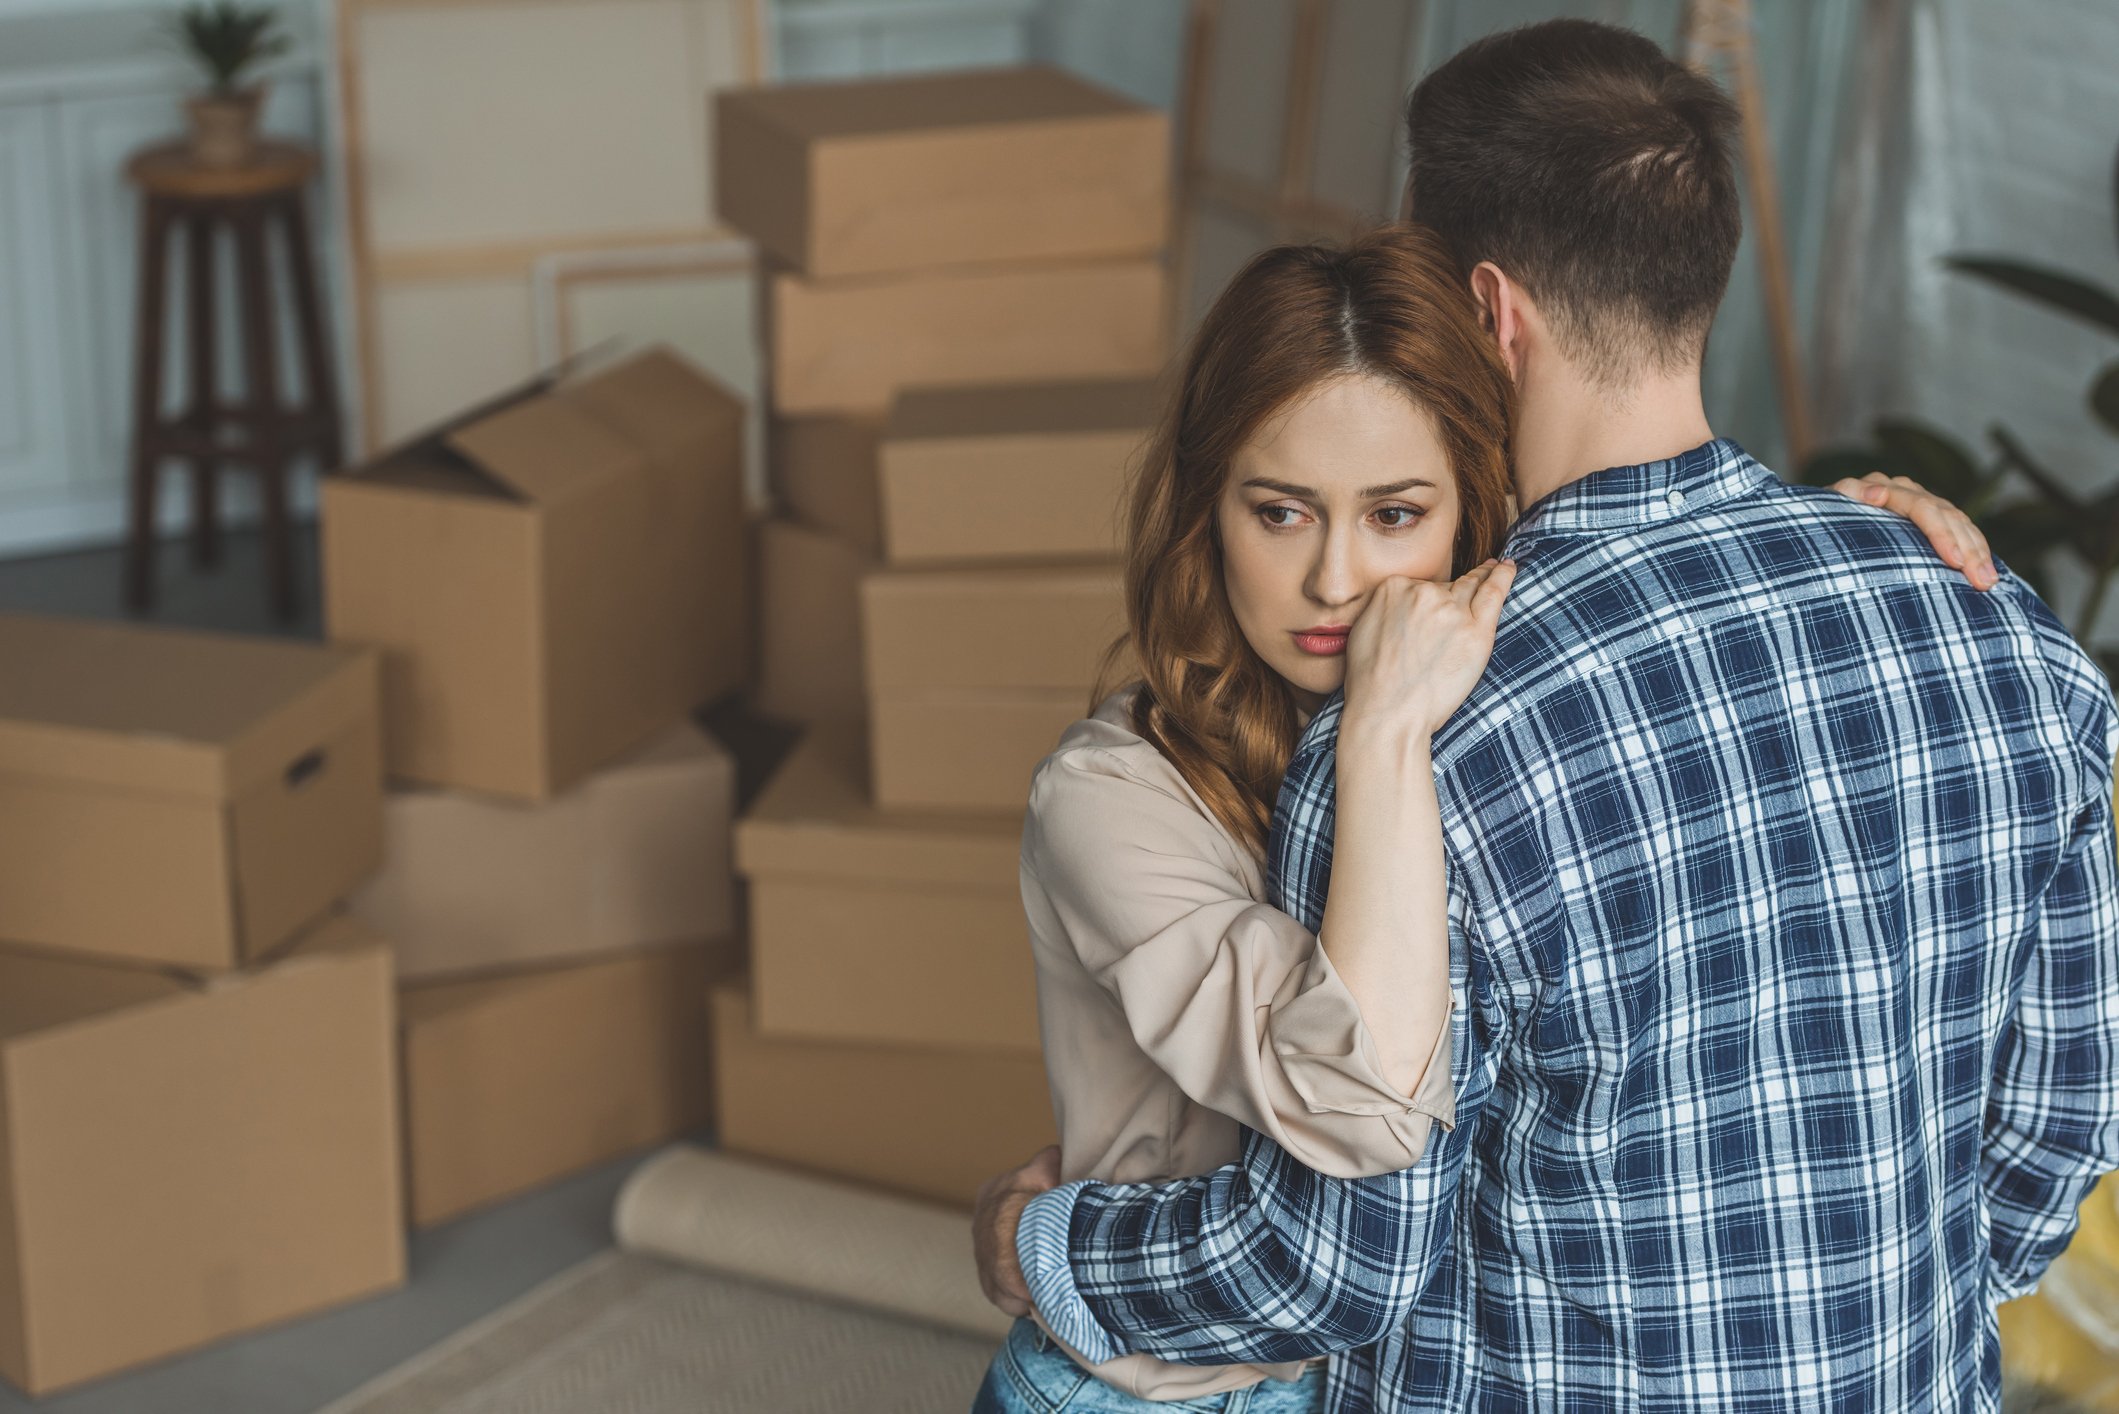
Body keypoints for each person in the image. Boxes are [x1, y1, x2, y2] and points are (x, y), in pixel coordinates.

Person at [973, 18, 2119, 1414]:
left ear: (1489, 316)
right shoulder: (1997, 625)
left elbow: (1332, 1263)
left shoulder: (1418, 742)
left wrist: (1042, 1237)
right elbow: (2054, 1136)